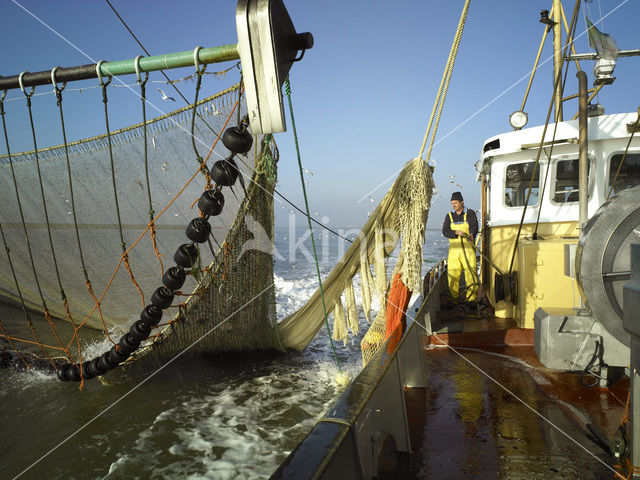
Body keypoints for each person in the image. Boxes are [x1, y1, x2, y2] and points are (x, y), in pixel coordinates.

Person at [442, 192, 478, 302]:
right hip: (454, 251)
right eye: (452, 203)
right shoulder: (449, 216)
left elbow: (474, 226)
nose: (454, 205)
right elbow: (445, 231)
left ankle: (471, 298)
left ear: (462, 202)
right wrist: (456, 232)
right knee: (453, 273)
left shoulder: (470, 213)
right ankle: (454, 297)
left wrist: (471, 234)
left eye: (456, 203)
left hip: (467, 249)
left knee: (470, 273)